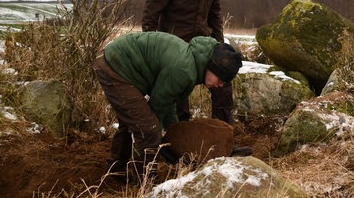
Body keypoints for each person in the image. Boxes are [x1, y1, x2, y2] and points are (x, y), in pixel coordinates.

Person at [93, 31, 242, 182]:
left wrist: (173, 135)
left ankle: (115, 172)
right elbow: (157, 107)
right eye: (222, 79)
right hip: (114, 67)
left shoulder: (191, 64)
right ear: (213, 68)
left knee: (135, 121)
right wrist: (162, 143)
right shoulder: (184, 70)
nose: (221, 84)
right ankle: (145, 182)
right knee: (148, 128)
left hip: (114, 62)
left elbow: (168, 101)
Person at [141, 0, 235, 124]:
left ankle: (223, 133)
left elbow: (215, 16)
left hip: (203, 46)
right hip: (173, 48)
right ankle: (179, 138)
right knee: (178, 95)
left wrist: (221, 47)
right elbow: (150, 15)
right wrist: (150, 49)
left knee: (223, 81)